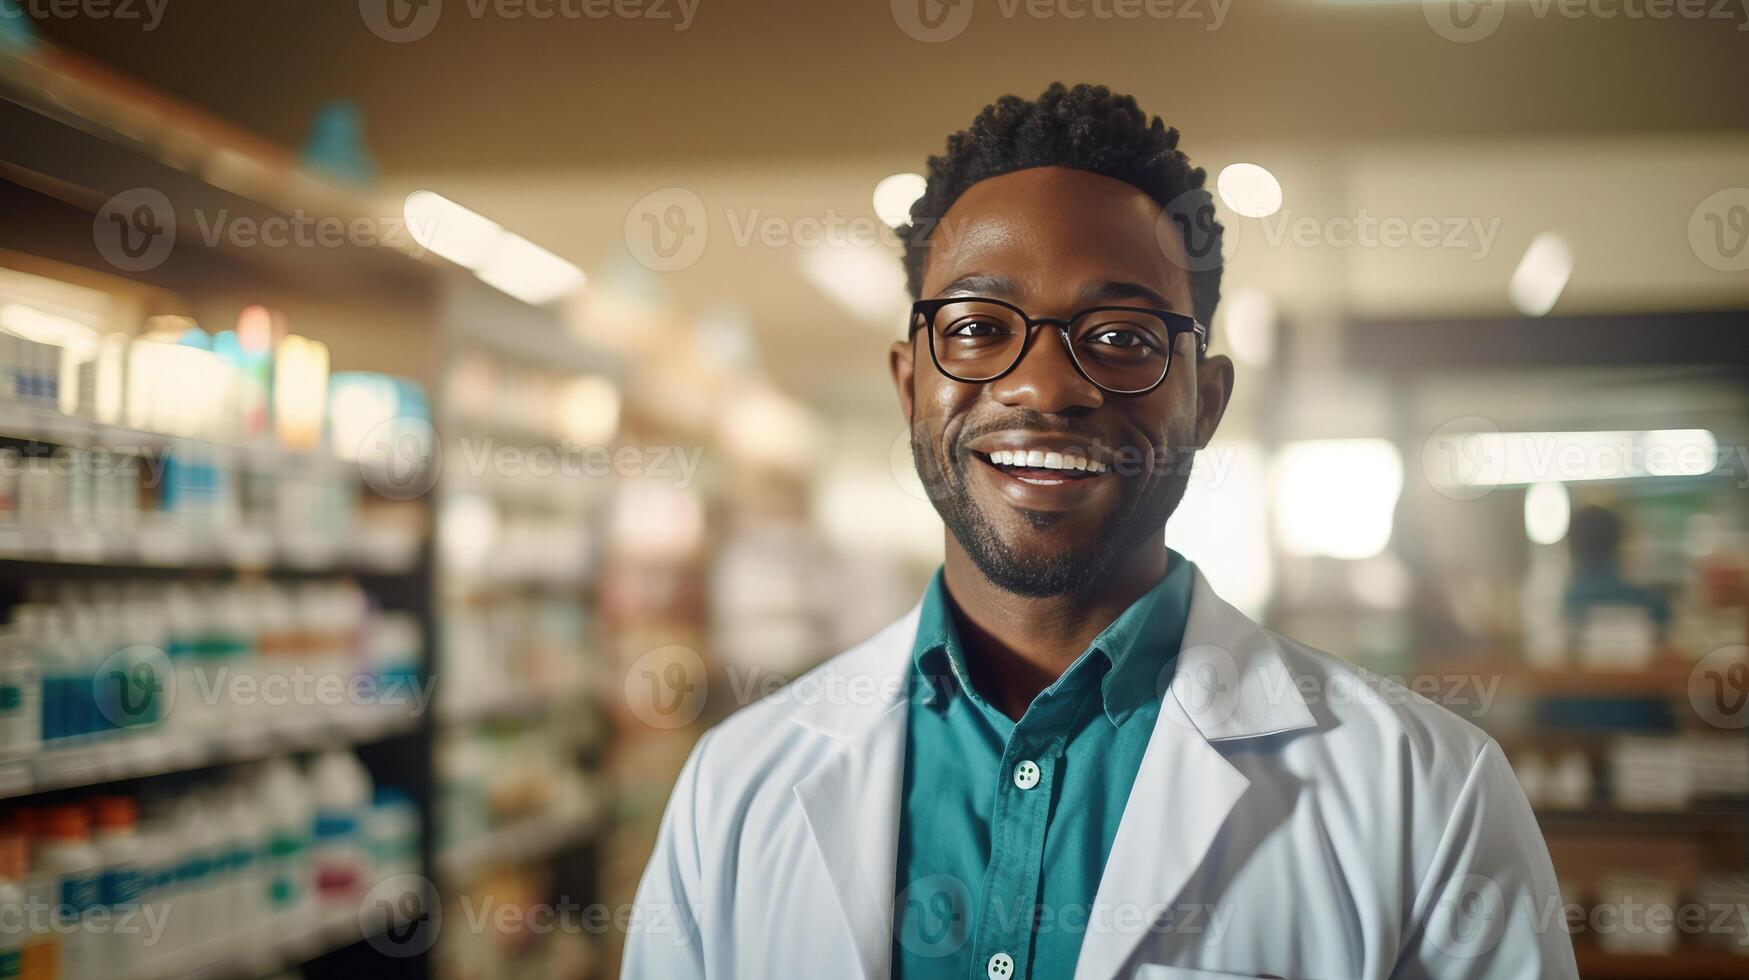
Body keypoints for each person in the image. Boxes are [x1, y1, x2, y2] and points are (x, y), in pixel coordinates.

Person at [624, 82, 1576, 980]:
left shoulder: (1424, 796)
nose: (1041, 387)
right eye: (977, 327)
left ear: (1204, 402)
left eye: (1121, 337)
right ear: (910, 384)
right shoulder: (734, 789)